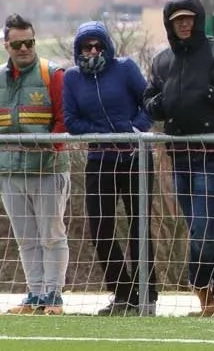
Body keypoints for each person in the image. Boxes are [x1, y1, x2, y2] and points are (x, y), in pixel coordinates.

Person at [143, 0, 214, 317]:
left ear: (198, 19)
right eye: (177, 20)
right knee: (200, 224)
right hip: (178, 153)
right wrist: (160, 104)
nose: (183, 25)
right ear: (169, 23)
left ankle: (200, 283)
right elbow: (148, 100)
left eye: (188, 19)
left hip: (212, 151)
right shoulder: (163, 60)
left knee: (203, 224)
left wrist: (210, 95)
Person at [63, 21, 158, 316]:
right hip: (100, 159)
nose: (93, 51)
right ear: (78, 50)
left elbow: (149, 104)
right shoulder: (72, 79)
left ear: (108, 46)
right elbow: (71, 120)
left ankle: (147, 295)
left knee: (138, 225)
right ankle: (123, 293)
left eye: (98, 45)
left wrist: (134, 129)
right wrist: (102, 133)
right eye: (87, 46)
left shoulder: (125, 68)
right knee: (100, 228)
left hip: (135, 157)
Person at [0, 14, 69, 315]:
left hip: (47, 167)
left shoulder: (52, 73)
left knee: (51, 234)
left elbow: (64, 119)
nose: (24, 49)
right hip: (10, 170)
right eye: (18, 44)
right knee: (25, 237)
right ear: (7, 45)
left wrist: (51, 147)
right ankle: (35, 294)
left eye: (29, 42)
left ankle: (53, 296)